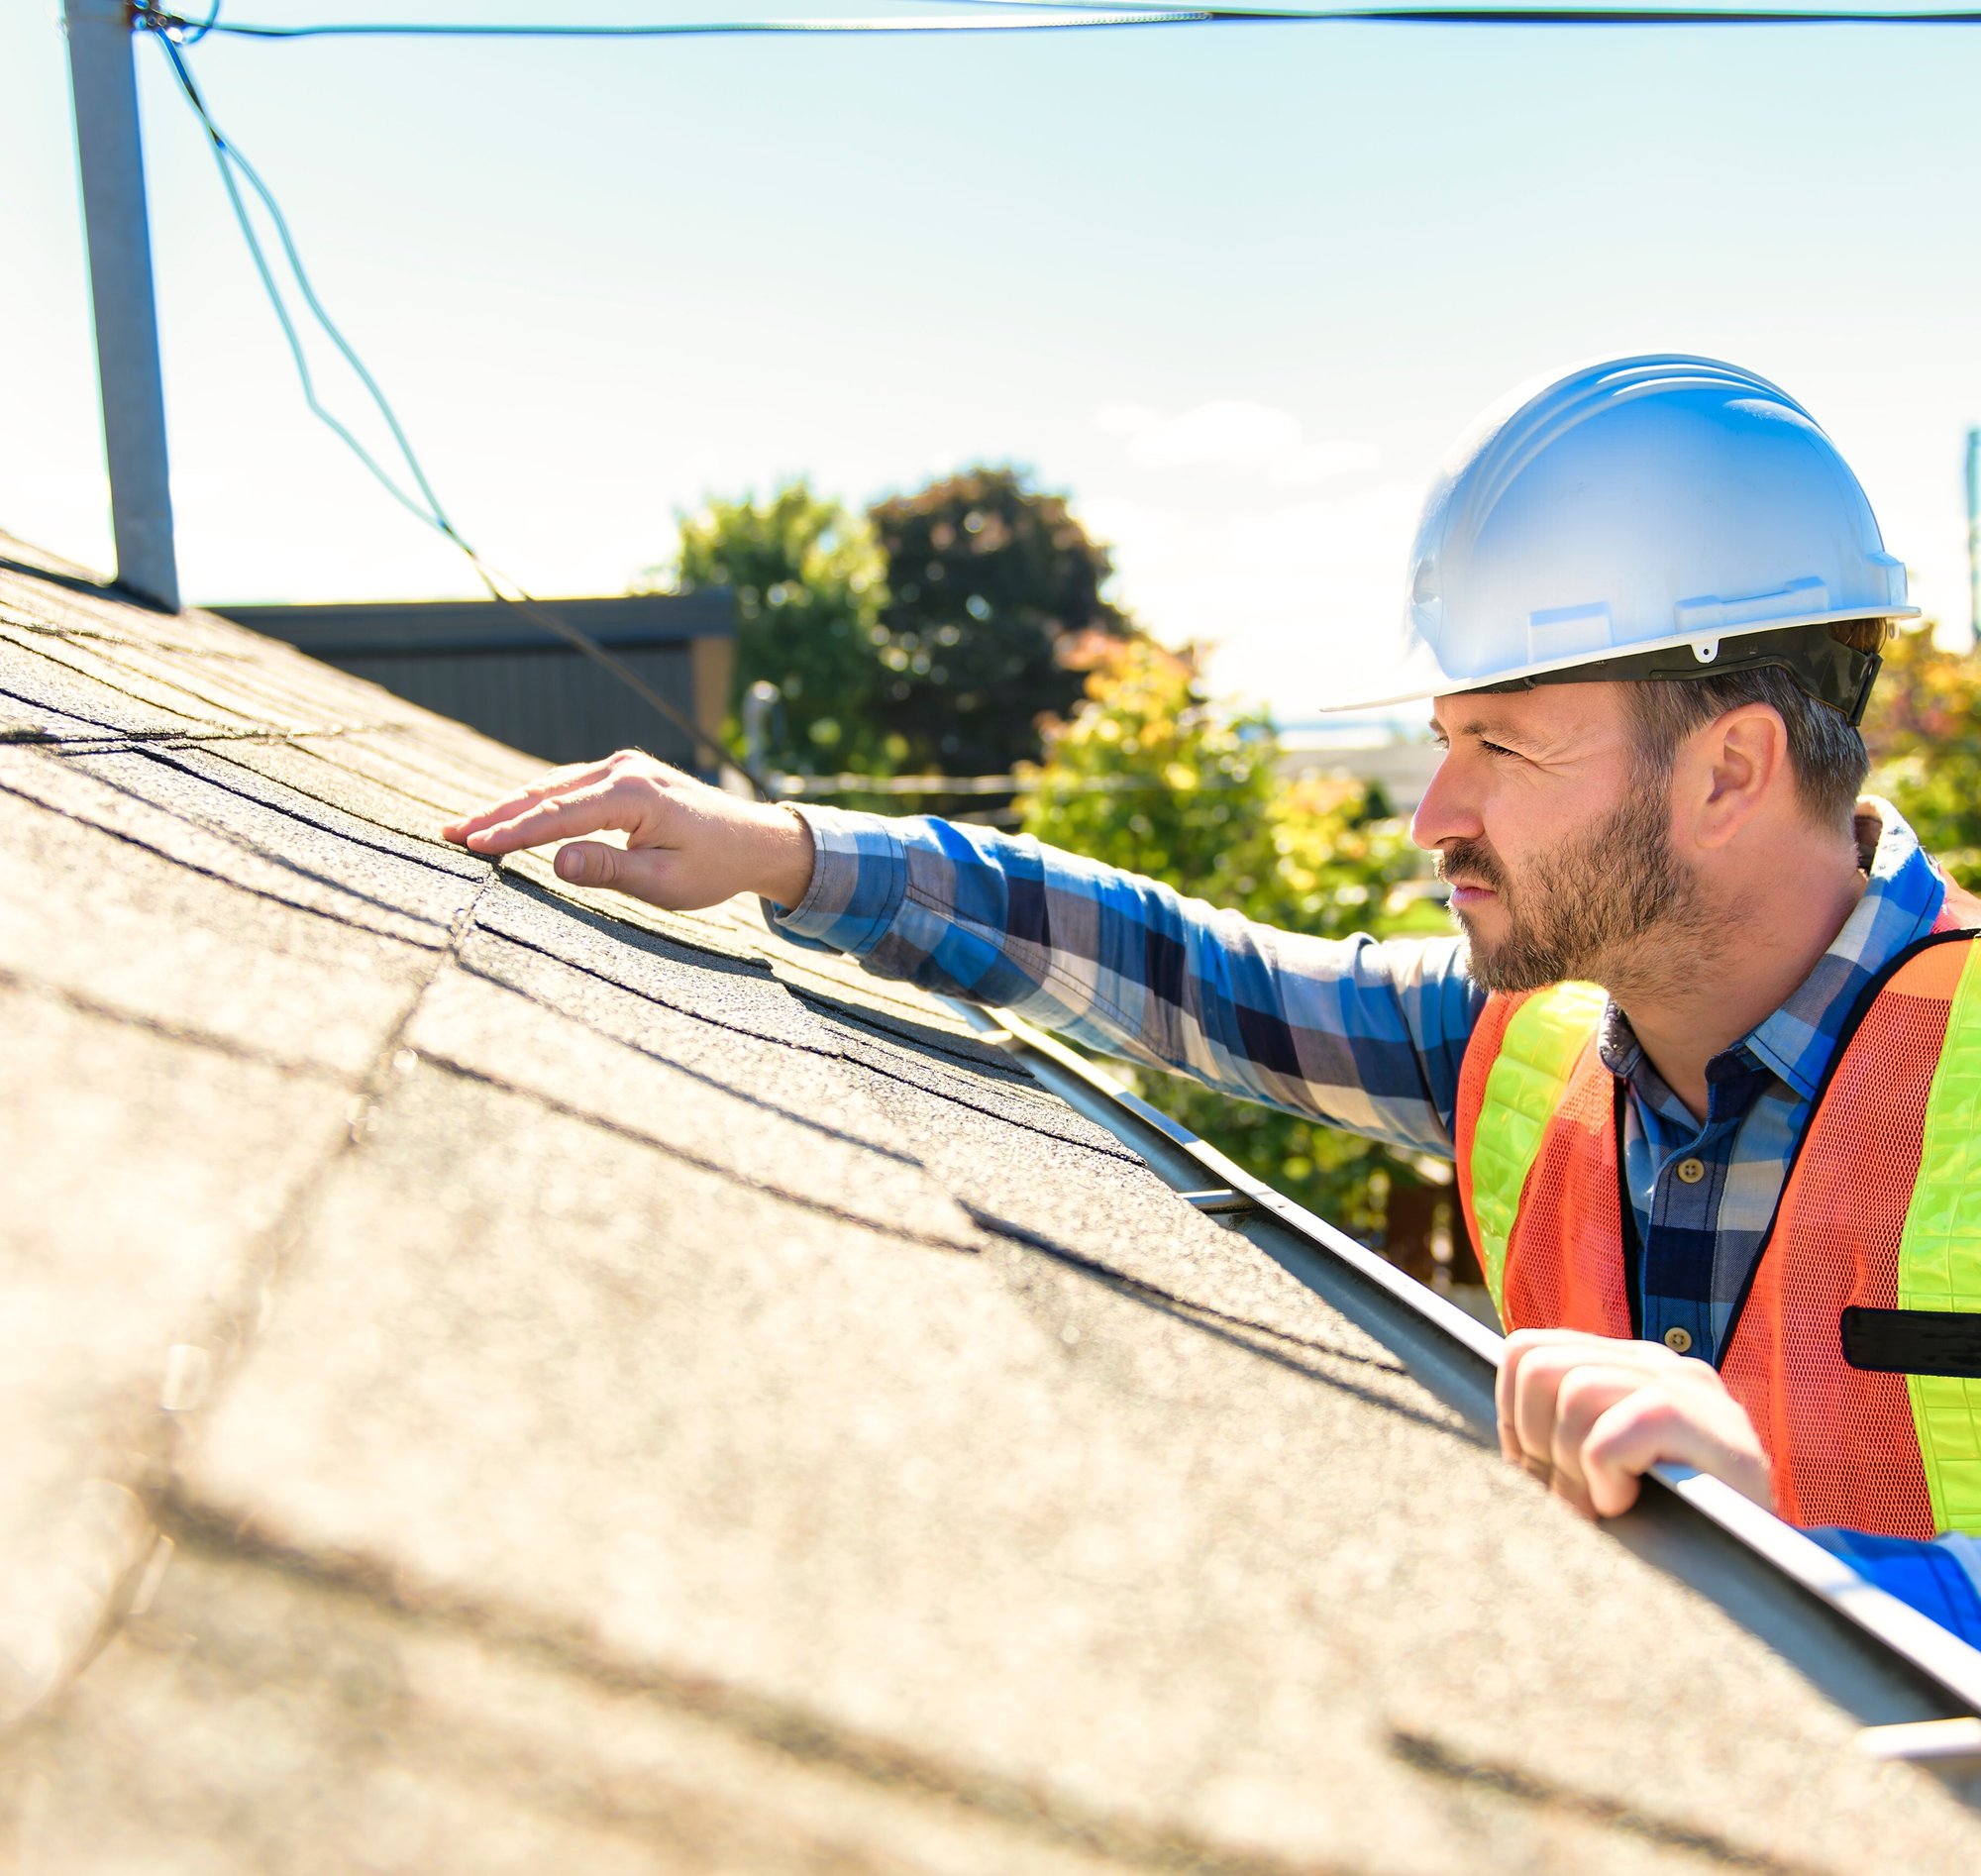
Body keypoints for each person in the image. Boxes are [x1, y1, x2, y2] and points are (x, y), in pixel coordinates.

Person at [443, 356, 1981, 1624]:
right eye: (1444, 738)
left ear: (1731, 768)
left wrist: (1786, 1558)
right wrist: (783, 850)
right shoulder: (1529, 1044)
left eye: (1500, 745)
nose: (1433, 815)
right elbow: (1181, 972)